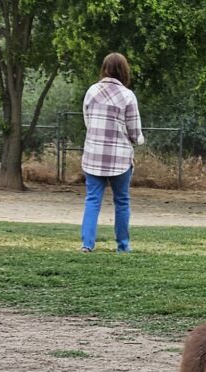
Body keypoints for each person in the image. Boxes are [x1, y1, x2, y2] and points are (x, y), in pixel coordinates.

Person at [80, 52, 144, 253]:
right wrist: (138, 140)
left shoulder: (91, 92)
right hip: (119, 159)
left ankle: (87, 245)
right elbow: (134, 131)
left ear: (104, 68)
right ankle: (123, 246)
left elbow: (87, 120)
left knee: (92, 200)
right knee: (122, 201)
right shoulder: (127, 96)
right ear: (124, 71)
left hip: (93, 155)